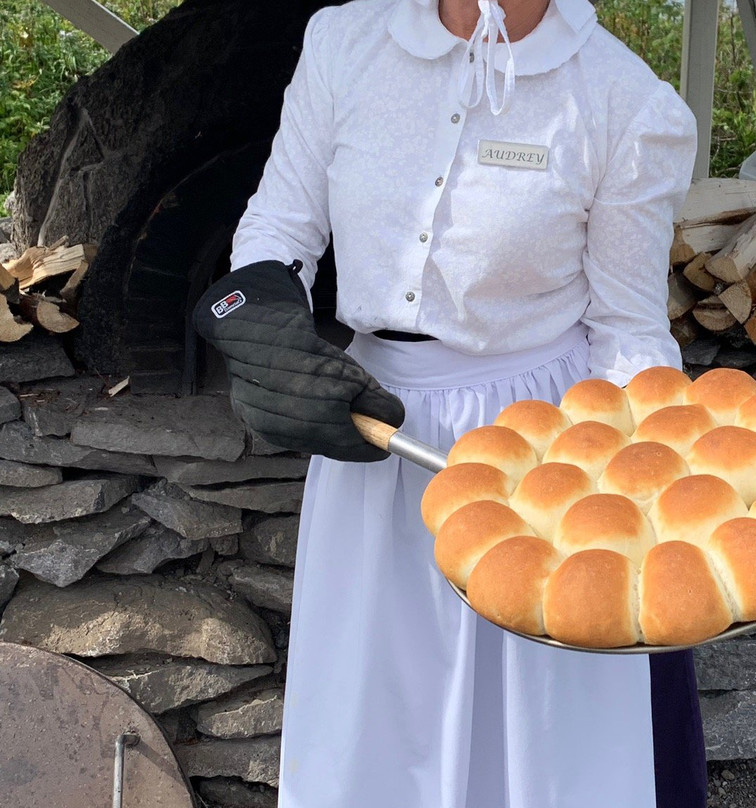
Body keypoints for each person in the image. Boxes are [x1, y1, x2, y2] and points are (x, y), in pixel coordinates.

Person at [193, 0, 705, 805]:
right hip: (372, 430)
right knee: (376, 728)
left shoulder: (622, 99)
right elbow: (280, 224)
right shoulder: (345, 41)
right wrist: (268, 338)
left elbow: (626, 327)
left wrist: (656, 486)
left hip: (541, 457)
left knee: (544, 741)